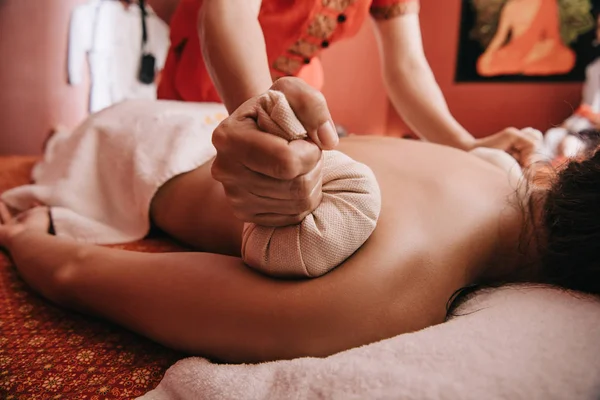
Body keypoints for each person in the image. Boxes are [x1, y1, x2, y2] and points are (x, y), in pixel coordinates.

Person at [0, 79, 598, 364]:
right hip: (128, 155)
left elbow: (83, 271)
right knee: (64, 149)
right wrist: (22, 238)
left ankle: (61, 139)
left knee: (65, 142)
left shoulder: (492, 170)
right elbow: (78, 270)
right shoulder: (388, 292)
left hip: (170, 121)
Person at [154, 0, 540, 154]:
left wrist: (465, 145)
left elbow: (407, 65)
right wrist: (261, 122)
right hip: (201, 97)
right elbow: (227, 15)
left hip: (292, 101)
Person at [477, 0, 575, 77]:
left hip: (540, 50)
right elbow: (500, 37)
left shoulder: (547, 3)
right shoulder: (511, 6)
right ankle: (526, 67)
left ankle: (522, 67)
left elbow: (552, 38)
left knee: (567, 58)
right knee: (483, 64)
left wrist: (537, 53)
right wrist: (488, 54)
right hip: (515, 52)